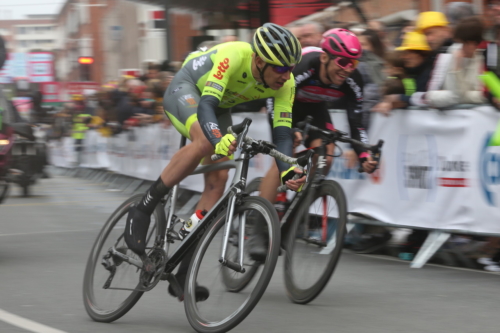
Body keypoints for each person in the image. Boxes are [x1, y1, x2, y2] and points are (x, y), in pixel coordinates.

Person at [124, 23, 302, 300]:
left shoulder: (286, 84)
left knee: (218, 181)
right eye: (280, 68)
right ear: (258, 60)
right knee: (206, 142)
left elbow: (282, 134)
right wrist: (218, 137)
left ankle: (183, 272)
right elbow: (206, 105)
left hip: (219, 108)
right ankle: (143, 208)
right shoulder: (234, 55)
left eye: (291, 68)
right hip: (187, 90)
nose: (286, 75)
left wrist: (288, 167)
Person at [256, 29, 378, 258]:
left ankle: (292, 220)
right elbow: (275, 98)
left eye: (353, 63)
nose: (347, 69)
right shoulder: (304, 66)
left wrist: (363, 153)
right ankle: (258, 229)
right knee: (285, 155)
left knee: (326, 156)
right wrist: (288, 131)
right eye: (342, 62)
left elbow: (356, 120)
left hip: (315, 108)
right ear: (325, 57)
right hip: (285, 104)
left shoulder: (353, 77)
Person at [425, 16, 486, 108]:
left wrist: (457, 96)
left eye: (463, 43)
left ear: (472, 43)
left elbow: (483, 96)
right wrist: (457, 68)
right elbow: (429, 96)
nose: (460, 46)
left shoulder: (481, 60)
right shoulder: (446, 58)